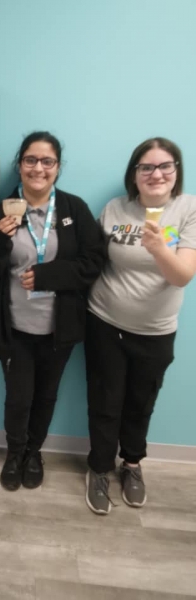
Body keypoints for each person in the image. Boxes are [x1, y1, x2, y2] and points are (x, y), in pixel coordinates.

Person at [0, 132, 105, 491]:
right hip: (14, 328)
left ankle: (34, 452)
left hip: (58, 328)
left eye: (47, 161)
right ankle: (14, 453)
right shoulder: (1, 210)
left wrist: (49, 275)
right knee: (18, 398)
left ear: (58, 167)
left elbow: (94, 261)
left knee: (46, 395)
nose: (38, 168)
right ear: (19, 165)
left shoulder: (73, 209)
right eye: (30, 160)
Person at [85, 137, 196, 515]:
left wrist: (160, 249)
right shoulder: (115, 208)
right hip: (104, 321)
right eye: (146, 167)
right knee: (105, 402)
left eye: (165, 166)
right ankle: (99, 467)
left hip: (156, 331)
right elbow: (93, 258)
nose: (156, 174)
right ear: (134, 174)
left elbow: (182, 276)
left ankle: (132, 463)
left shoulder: (188, 209)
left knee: (140, 403)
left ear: (176, 171)